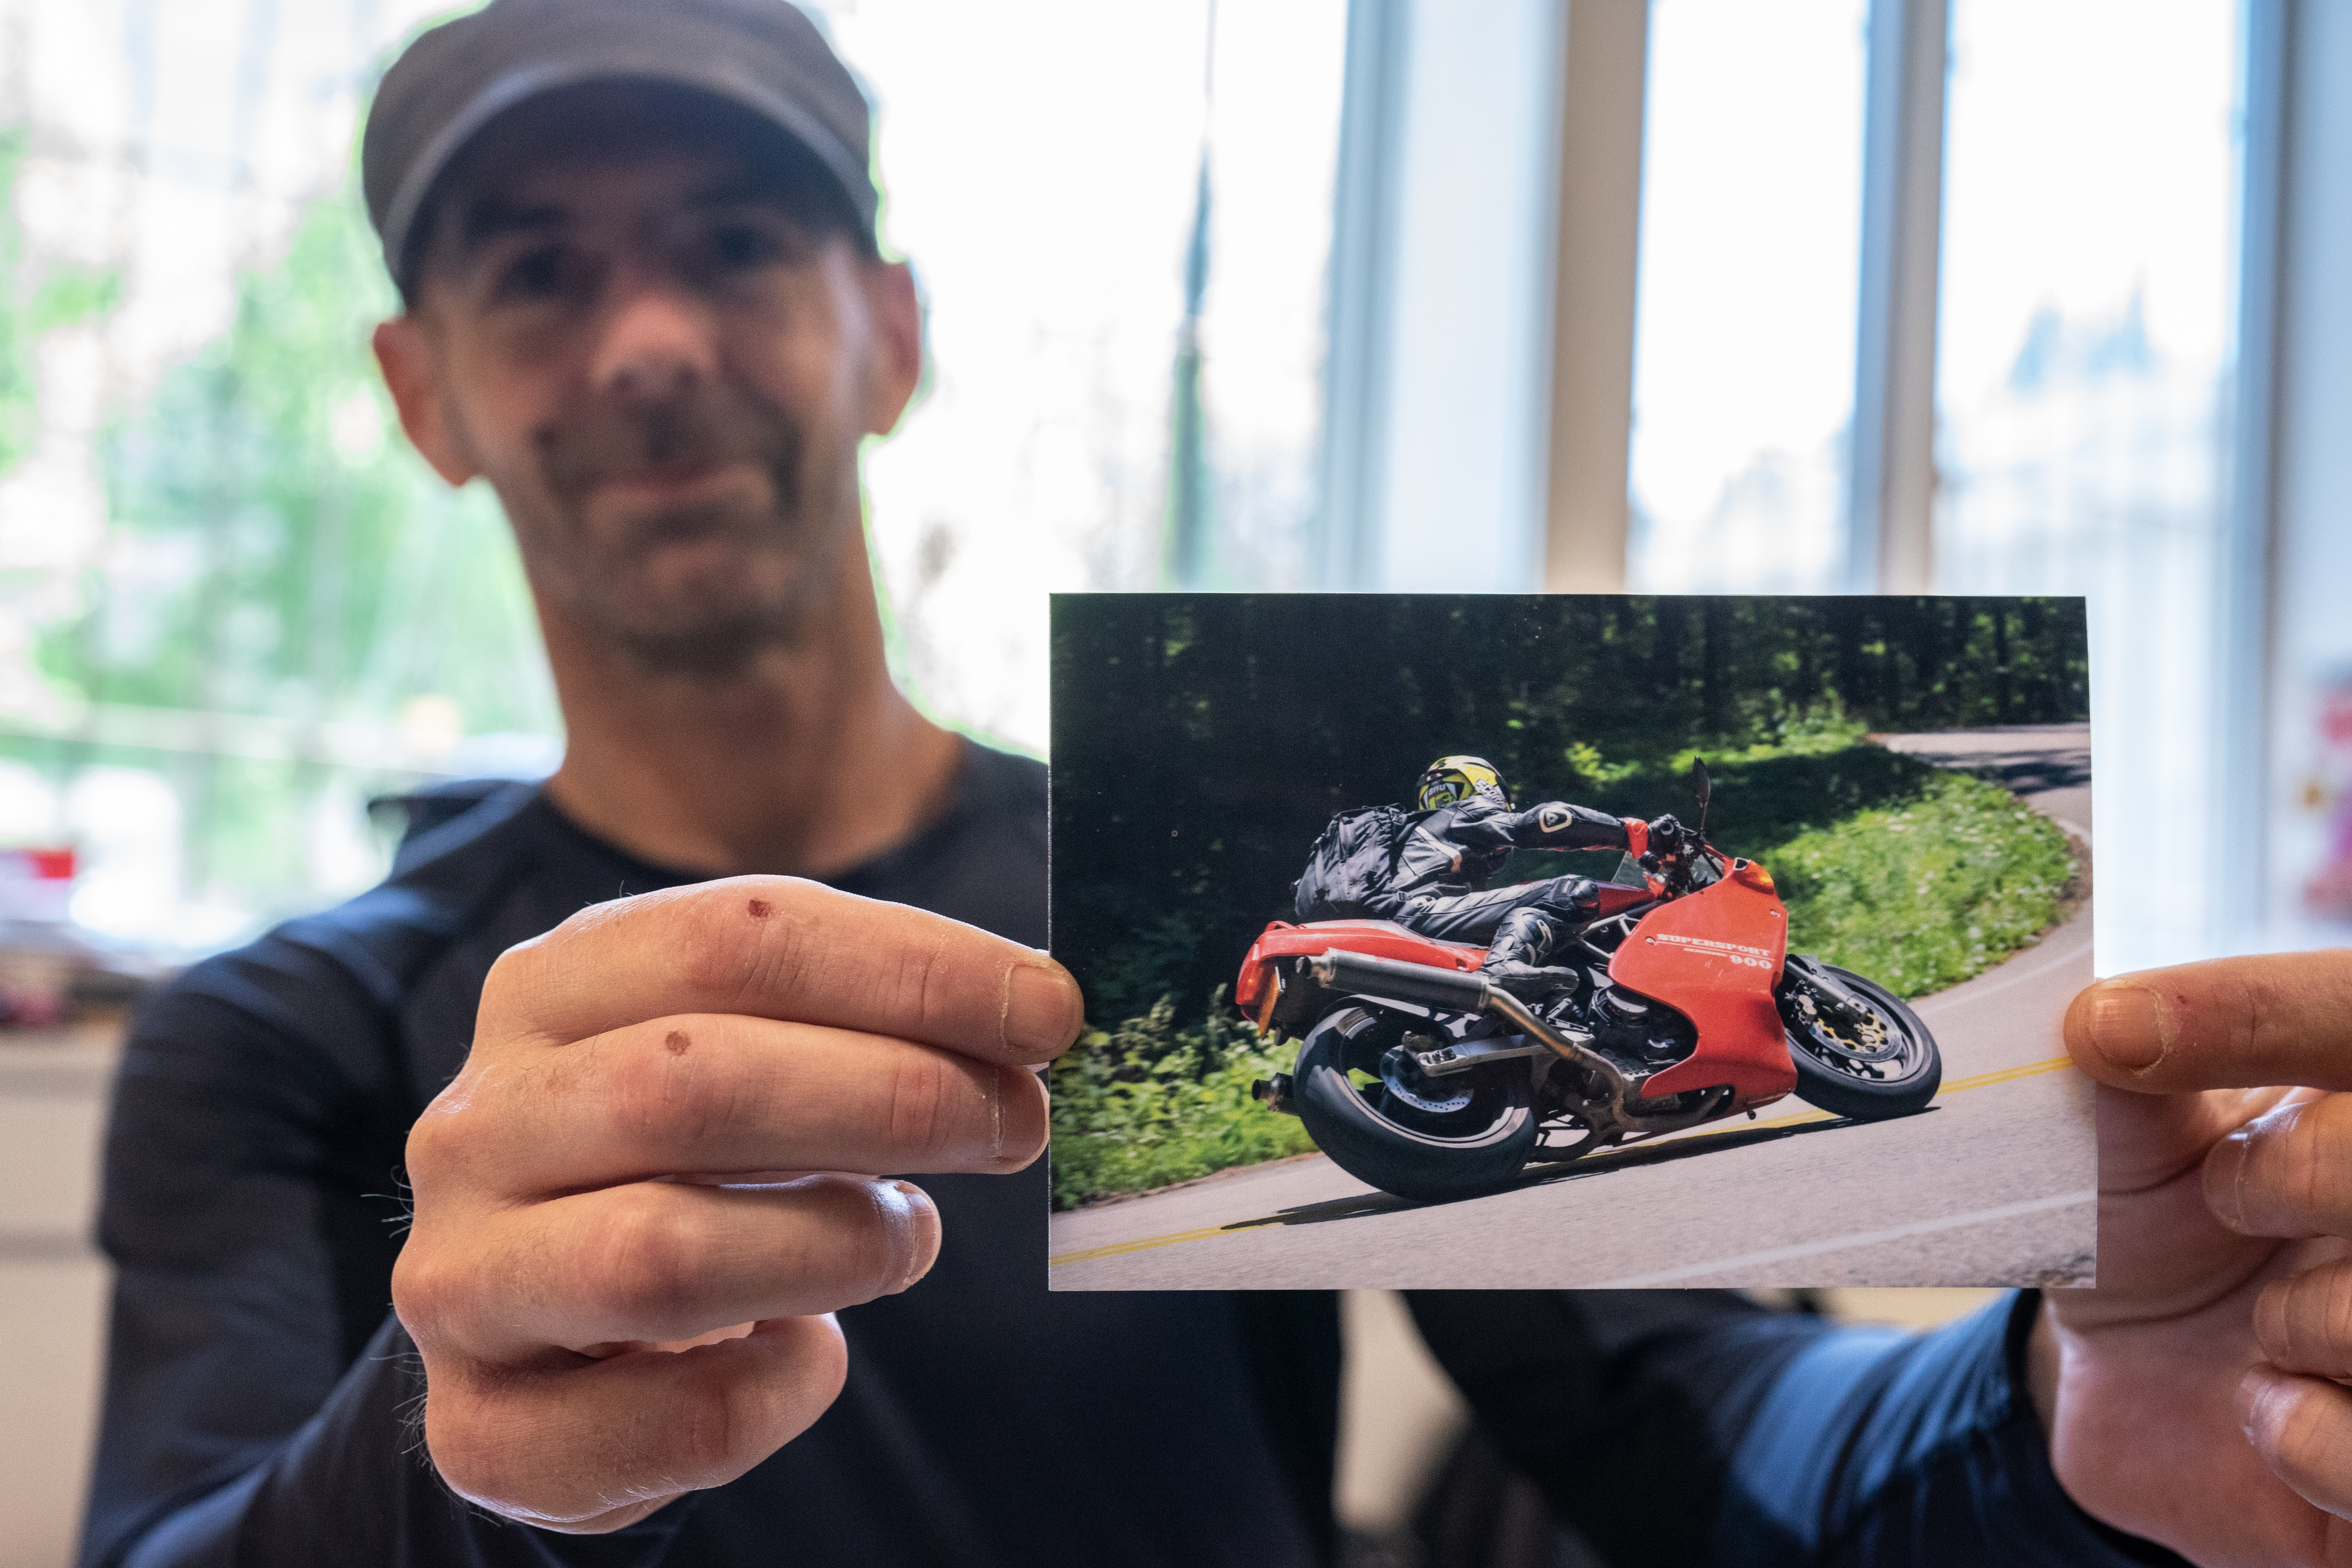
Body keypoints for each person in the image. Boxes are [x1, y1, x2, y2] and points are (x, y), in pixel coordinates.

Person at [70, 2, 2352, 1564]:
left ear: (889, 330)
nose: (648, 336)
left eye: (736, 242)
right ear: (419, 391)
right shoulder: (288, 1033)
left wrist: (2058, 1409)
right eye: (539, 271)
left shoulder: (1190, 860)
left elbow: (1692, 1426)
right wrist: (439, 1435)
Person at [1298, 753, 1687, 999]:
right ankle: (1504, 968)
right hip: (1416, 916)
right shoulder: (1462, 813)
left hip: (1401, 925)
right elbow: (1544, 823)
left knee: (1527, 908)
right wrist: (1634, 834)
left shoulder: (1411, 837)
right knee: (1571, 891)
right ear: (1482, 785)